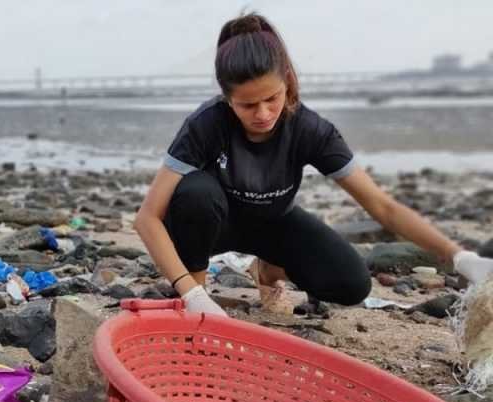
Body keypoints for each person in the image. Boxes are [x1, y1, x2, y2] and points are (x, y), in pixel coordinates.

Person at [133, 13, 493, 316]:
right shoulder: (206, 123)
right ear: (228, 100)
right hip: (213, 222)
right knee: (195, 191)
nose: (263, 114)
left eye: (272, 98)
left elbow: (383, 207)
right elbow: (147, 218)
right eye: (247, 105)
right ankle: (198, 292)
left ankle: (269, 270)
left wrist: (458, 256)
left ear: (287, 82)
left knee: (352, 284)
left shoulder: (311, 130)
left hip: (273, 222)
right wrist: (190, 293)